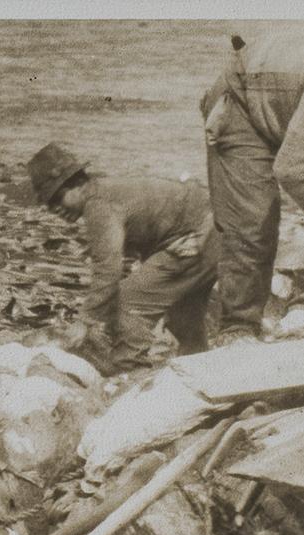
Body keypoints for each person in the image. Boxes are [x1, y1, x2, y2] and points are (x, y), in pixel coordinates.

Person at [27, 142, 221, 374]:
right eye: (49, 205)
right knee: (182, 312)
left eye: (57, 199)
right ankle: (200, 368)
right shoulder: (106, 190)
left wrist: (85, 321)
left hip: (195, 237)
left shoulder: (98, 206)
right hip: (214, 230)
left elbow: (108, 269)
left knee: (126, 301)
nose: (55, 209)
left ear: (76, 185)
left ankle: (132, 371)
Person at [202, 32, 304, 343]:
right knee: (253, 221)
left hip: (280, 90)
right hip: (241, 99)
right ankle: (237, 330)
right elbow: (293, 169)